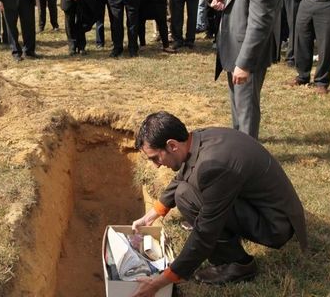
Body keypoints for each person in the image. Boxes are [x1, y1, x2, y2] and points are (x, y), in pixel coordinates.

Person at [130, 112, 307, 296]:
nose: (156, 166)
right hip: (260, 205)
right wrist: (151, 216)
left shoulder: (214, 166)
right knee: (184, 193)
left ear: (172, 145)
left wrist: (161, 281)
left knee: (190, 201)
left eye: (155, 158)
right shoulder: (196, 139)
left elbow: (205, 232)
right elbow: (182, 174)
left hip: (275, 224)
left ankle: (238, 264)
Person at [209, 0, 285, 140]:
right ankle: (239, 143)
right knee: (238, 104)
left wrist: (245, 64)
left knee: (246, 107)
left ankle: (248, 154)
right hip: (235, 42)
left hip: (247, 50)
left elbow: (260, 22)